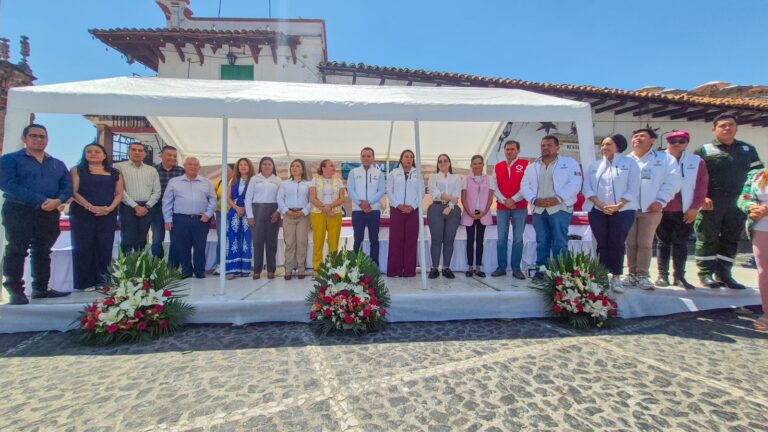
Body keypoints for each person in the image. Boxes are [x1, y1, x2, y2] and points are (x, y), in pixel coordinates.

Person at [0, 124, 72, 304]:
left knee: (42, 251)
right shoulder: (10, 160)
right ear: (24, 139)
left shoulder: (57, 163)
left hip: (48, 212)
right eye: (34, 136)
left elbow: (67, 187)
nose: (39, 140)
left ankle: (40, 288)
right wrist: (40, 200)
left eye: (42, 137)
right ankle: (15, 290)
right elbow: (8, 184)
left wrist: (58, 200)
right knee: (16, 249)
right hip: (19, 209)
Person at [695, 114, 764, 289]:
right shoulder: (704, 150)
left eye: (730, 125)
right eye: (722, 126)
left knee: (731, 238)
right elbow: (694, 177)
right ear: (714, 130)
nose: (727, 128)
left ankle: (725, 274)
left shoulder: (748, 149)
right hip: (712, 201)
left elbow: (758, 176)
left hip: (738, 201)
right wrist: (702, 196)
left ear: (736, 127)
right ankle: (705, 274)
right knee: (707, 237)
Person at [625, 129, 682, 290]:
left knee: (645, 242)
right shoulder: (625, 160)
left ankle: (642, 275)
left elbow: (673, 182)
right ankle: (631, 274)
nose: (637, 139)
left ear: (653, 140)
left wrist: (661, 200)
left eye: (642, 136)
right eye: (635, 136)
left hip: (652, 208)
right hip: (628, 208)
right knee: (630, 243)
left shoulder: (665, 159)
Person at [582, 134, 639, 293]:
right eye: (602, 145)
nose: (604, 148)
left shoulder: (630, 164)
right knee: (601, 243)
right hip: (598, 210)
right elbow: (587, 187)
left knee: (617, 243)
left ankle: (616, 277)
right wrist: (600, 204)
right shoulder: (595, 165)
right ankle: (601, 275)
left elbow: (633, 187)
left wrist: (618, 205)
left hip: (622, 211)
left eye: (608, 144)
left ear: (618, 146)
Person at [520, 135, 582, 279]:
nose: (545, 148)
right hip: (539, 209)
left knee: (560, 241)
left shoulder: (569, 163)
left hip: (559, 208)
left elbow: (575, 184)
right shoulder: (532, 166)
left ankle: (561, 272)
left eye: (549, 145)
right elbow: (524, 185)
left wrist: (558, 198)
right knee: (542, 241)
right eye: (543, 145)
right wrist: (534, 200)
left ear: (557, 148)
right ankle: (542, 270)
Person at [655, 130, 709, 290]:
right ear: (667, 142)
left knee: (681, 244)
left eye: (681, 140)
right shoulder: (658, 159)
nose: (677, 143)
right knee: (662, 243)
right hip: (662, 208)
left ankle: (679, 277)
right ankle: (662, 275)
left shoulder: (696, 161)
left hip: (685, 210)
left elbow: (701, 186)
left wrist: (695, 208)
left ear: (687, 142)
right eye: (673, 141)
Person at [69, 143, 124, 291]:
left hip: (107, 213)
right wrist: (89, 206)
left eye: (97, 151)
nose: (93, 154)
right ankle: (85, 282)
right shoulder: (77, 170)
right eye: (89, 151)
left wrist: (111, 208)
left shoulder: (114, 172)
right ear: (84, 154)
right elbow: (73, 192)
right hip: (82, 213)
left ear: (104, 155)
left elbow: (119, 193)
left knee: (104, 246)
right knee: (84, 246)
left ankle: (103, 281)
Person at [163, 157, 217, 279]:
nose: (192, 166)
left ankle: (199, 272)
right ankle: (186, 271)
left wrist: (208, 215)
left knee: (200, 246)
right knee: (183, 247)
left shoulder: (206, 182)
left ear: (199, 167)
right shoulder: (174, 182)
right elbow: (167, 201)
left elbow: (213, 200)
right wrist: (167, 219)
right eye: (190, 164)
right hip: (180, 219)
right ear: (185, 166)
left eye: (195, 164)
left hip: (200, 219)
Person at [491, 140, 529, 279]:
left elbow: (526, 186)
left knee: (518, 239)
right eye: (507, 149)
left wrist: (513, 199)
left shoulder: (526, 165)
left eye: (512, 149)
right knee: (501, 239)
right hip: (502, 207)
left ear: (518, 150)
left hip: (519, 207)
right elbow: (494, 186)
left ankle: (516, 268)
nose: (509, 151)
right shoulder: (498, 166)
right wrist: (504, 201)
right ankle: (501, 267)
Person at [115, 142, 161, 254]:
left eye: (140, 150)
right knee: (127, 238)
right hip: (127, 207)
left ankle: (140, 267)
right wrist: (135, 206)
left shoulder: (152, 170)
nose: (137, 152)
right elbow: (119, 190)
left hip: (147, 207)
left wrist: (146, 206)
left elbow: (157, 191)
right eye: (134, 150)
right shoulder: (119, 167)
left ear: (145, 154)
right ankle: (126, 268)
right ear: (128, 152)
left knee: (142, 239)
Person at [737, 168, 768, 331]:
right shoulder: (757, 175)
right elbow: (743, 197)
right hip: (761, 229)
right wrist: (751, 207)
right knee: (764, 273)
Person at [387, 149, 424, 277]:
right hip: (396, 210)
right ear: (401, 159)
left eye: (411, 157)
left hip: (413, 211)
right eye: (406, 156)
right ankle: (394, 270)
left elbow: (422, 192)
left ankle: (409, 271)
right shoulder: (393, 173)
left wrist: (412, 206)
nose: (408, 159)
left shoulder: (418, 174)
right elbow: (389, 190)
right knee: (396, 240)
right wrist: (398, 205)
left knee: (411, 240)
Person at [245, 156, 282, 280]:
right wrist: (250, 215)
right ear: (260, 166)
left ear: (273, 167)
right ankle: (257, 270)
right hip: (257, 210)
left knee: (272, 242)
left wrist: (278, 212)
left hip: (273, 210)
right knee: (257, 242)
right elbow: (248, 198)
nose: (267, 166)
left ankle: (271, 269)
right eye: (264, 164)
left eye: (269, 164)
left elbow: (282, 199)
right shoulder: (254, 179)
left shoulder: (278, 180)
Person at [347, 147, 385, 266]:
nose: (366, 158)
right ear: (360, 157)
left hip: (374, 211)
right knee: (358, 239)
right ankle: (356, 267)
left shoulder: (379, 174)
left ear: (373, 158)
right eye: (364, 156)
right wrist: (361, 204)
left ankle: (374, 267)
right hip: (358, 211)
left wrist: (369, 202)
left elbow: (381, 190)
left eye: (369, 156)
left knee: (374, 239)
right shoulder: (353, 172)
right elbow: (350, 190)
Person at [426, 154, 462, 279]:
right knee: (436, 240)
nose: (442, 163)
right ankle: (434, 268)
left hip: (453, 210)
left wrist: (450, 206)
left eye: (445, 161)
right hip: (436, 208)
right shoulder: (433, 177)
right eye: (440, 161)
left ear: (449, 163)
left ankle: (446, 268)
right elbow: (435, 193)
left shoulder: (456, 178)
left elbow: (457, 194)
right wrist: (451, 198)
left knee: (449, 240)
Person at [309, 160, 347, 271]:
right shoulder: (314, 180)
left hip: (335, 214)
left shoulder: (338, 181)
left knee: (334, 242)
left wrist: (330, 206)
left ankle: (333, 268)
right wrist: (324, 208)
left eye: (333, 165)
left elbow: (342, 198)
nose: (333, 167)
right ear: (323, 168)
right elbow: (312, 198)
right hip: (318, 213)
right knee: (318, 241)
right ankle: (317, 268)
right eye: (331, 165)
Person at [277, 159, 312, 280]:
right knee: (290, 242)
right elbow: (279, 199)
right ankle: (288, 269)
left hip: (303, 215)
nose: (294, 168)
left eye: (297, 166)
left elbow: (312, 200)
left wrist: (304, 211)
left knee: (302, 242)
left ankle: (301, 268)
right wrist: (287, 211)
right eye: (292, 166)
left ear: (302, 169)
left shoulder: (308, 184)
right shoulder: (284, 184)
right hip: (288, 215)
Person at [461, 155, 494, 277]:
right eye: (474, 163)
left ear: (483, 165)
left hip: (483, 214)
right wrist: (469, 212)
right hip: (469, 214)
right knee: (470, 241)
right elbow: (463, 197)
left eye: (479, 163)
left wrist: (484, 212)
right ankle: (470, 267)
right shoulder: (466, 179)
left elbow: (491, 197)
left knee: (480, 241)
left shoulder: (489, 179)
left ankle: (478, 268)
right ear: (471, 166)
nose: (477, 166)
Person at [151, 145, 185, 258]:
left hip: (176, 210)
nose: (172, 158)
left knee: (175, 240)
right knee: (156, 240)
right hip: (157, 209)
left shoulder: (181, 171)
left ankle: (172, 269)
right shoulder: (153, 170)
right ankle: (157, 268)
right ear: (161, 155)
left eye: (174, 156)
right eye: (169, 155)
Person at [225, 159, 254, 279]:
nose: (243, 166)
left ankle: (244, 269)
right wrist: (237, 208)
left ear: (249, 167)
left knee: (246, 240)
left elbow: (255, 197)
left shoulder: (254, 180)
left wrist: (246, 209)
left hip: (249, 212)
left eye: (245, 164)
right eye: (241, 165)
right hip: (234, 212)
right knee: (233, 239)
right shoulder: (233, 180)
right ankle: (232, 269)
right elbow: (227, 197)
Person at [213, 164, 234, 275]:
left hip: (234, 214)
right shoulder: (219, 183)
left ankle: (232, 264)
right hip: (221, 214)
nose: (225, 172)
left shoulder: (237, 183)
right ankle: (219, 265)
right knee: (221, 239)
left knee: (232, 238)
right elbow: (213, 197)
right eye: (223, 170)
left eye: (228, 170)